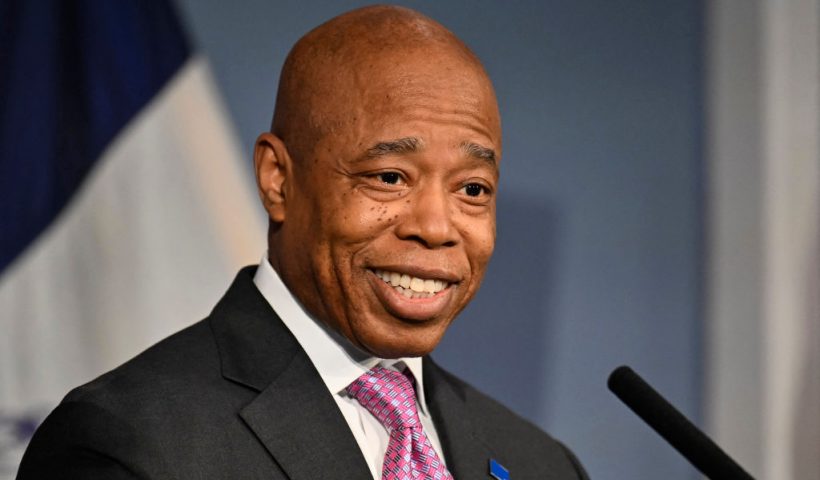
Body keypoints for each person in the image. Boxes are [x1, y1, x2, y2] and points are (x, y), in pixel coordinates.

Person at [18, 5, 588, 479]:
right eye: (389, 177)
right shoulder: (128, 444)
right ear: (279, 180)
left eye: (472, 188)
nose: (436, 228)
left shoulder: (541, 464)